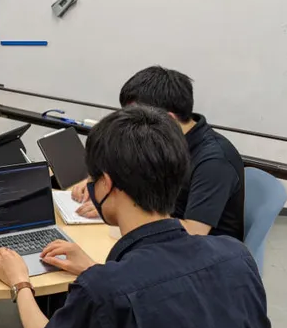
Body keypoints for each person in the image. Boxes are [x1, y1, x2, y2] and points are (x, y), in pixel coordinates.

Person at [0, 106, 273, 328]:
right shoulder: (237, 255)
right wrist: (93, 270)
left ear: (106, 184)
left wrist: (20, 283)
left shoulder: (102, 288)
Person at [72, 66, 245, 240]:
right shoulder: (161, 142)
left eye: (137, 119)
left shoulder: (214, 162)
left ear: (168, 119)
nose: (131, 126)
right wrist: (99, 183)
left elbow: (194, 232)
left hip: (195, 250)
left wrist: (121, 209)